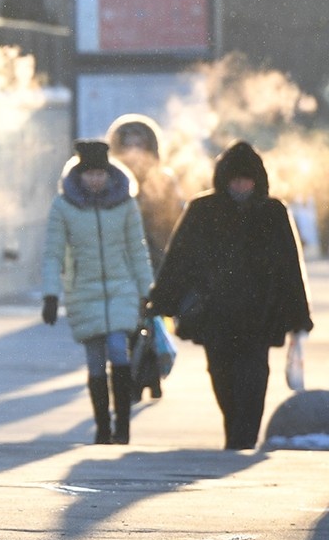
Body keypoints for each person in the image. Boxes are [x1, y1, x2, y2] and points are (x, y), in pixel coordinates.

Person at [149, 140, 313, 450]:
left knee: (252, 384)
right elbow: (178, 259)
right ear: (224, 180)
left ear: (258, 180)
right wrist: (161, 300)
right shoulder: (203, 209)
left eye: (247, 179)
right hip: (216, 318)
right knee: (223, 382)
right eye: (235, 179)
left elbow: (290, 267)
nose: (241, 185)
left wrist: (299, 316)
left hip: (258, 320)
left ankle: (241, 442)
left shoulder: (272, 212)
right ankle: (236, 438)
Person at [41, 140, 153, 445]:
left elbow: (137, 250)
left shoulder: (126, 204)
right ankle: (103, 427)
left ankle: (123, 426)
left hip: (121, 288)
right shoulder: (63, 206)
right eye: (89, 173)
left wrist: (147, 291)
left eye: (99, 173)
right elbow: (52, 253)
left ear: (108, 173)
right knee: (94, 361)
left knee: (118, 350)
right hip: (83, 291)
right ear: (79, 174)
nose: (94, 179)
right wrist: (50, 295)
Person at [106, 114, 185, 402]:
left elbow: (175, 221)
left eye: (140, 144)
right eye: (128, 144)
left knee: (151, 322)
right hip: (121, 263)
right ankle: (137, 378)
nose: (135, 150)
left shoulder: (163, 180)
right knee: (127, 324)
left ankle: (148, 376)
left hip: (156, 262)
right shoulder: (112, 180)